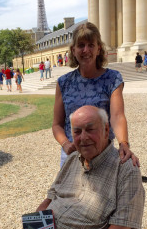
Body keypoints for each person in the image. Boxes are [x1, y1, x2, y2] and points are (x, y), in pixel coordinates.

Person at [0, 105, 145, 229]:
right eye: (77, 132)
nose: (83, 137)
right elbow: (49, 199)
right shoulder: (73, 159)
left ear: (106, 129)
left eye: (90, 129)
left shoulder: (125, 168)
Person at [52, 22, 139, 167]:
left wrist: (124, 144)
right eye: (81, 45)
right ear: (73, 50)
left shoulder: (112, 79)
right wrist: (65, 144)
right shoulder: (63, 83)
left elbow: (117, 116)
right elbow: (57, 124)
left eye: (91, 45)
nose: (86, 50)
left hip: (103, 154)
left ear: (98, 49)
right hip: (73, 154)